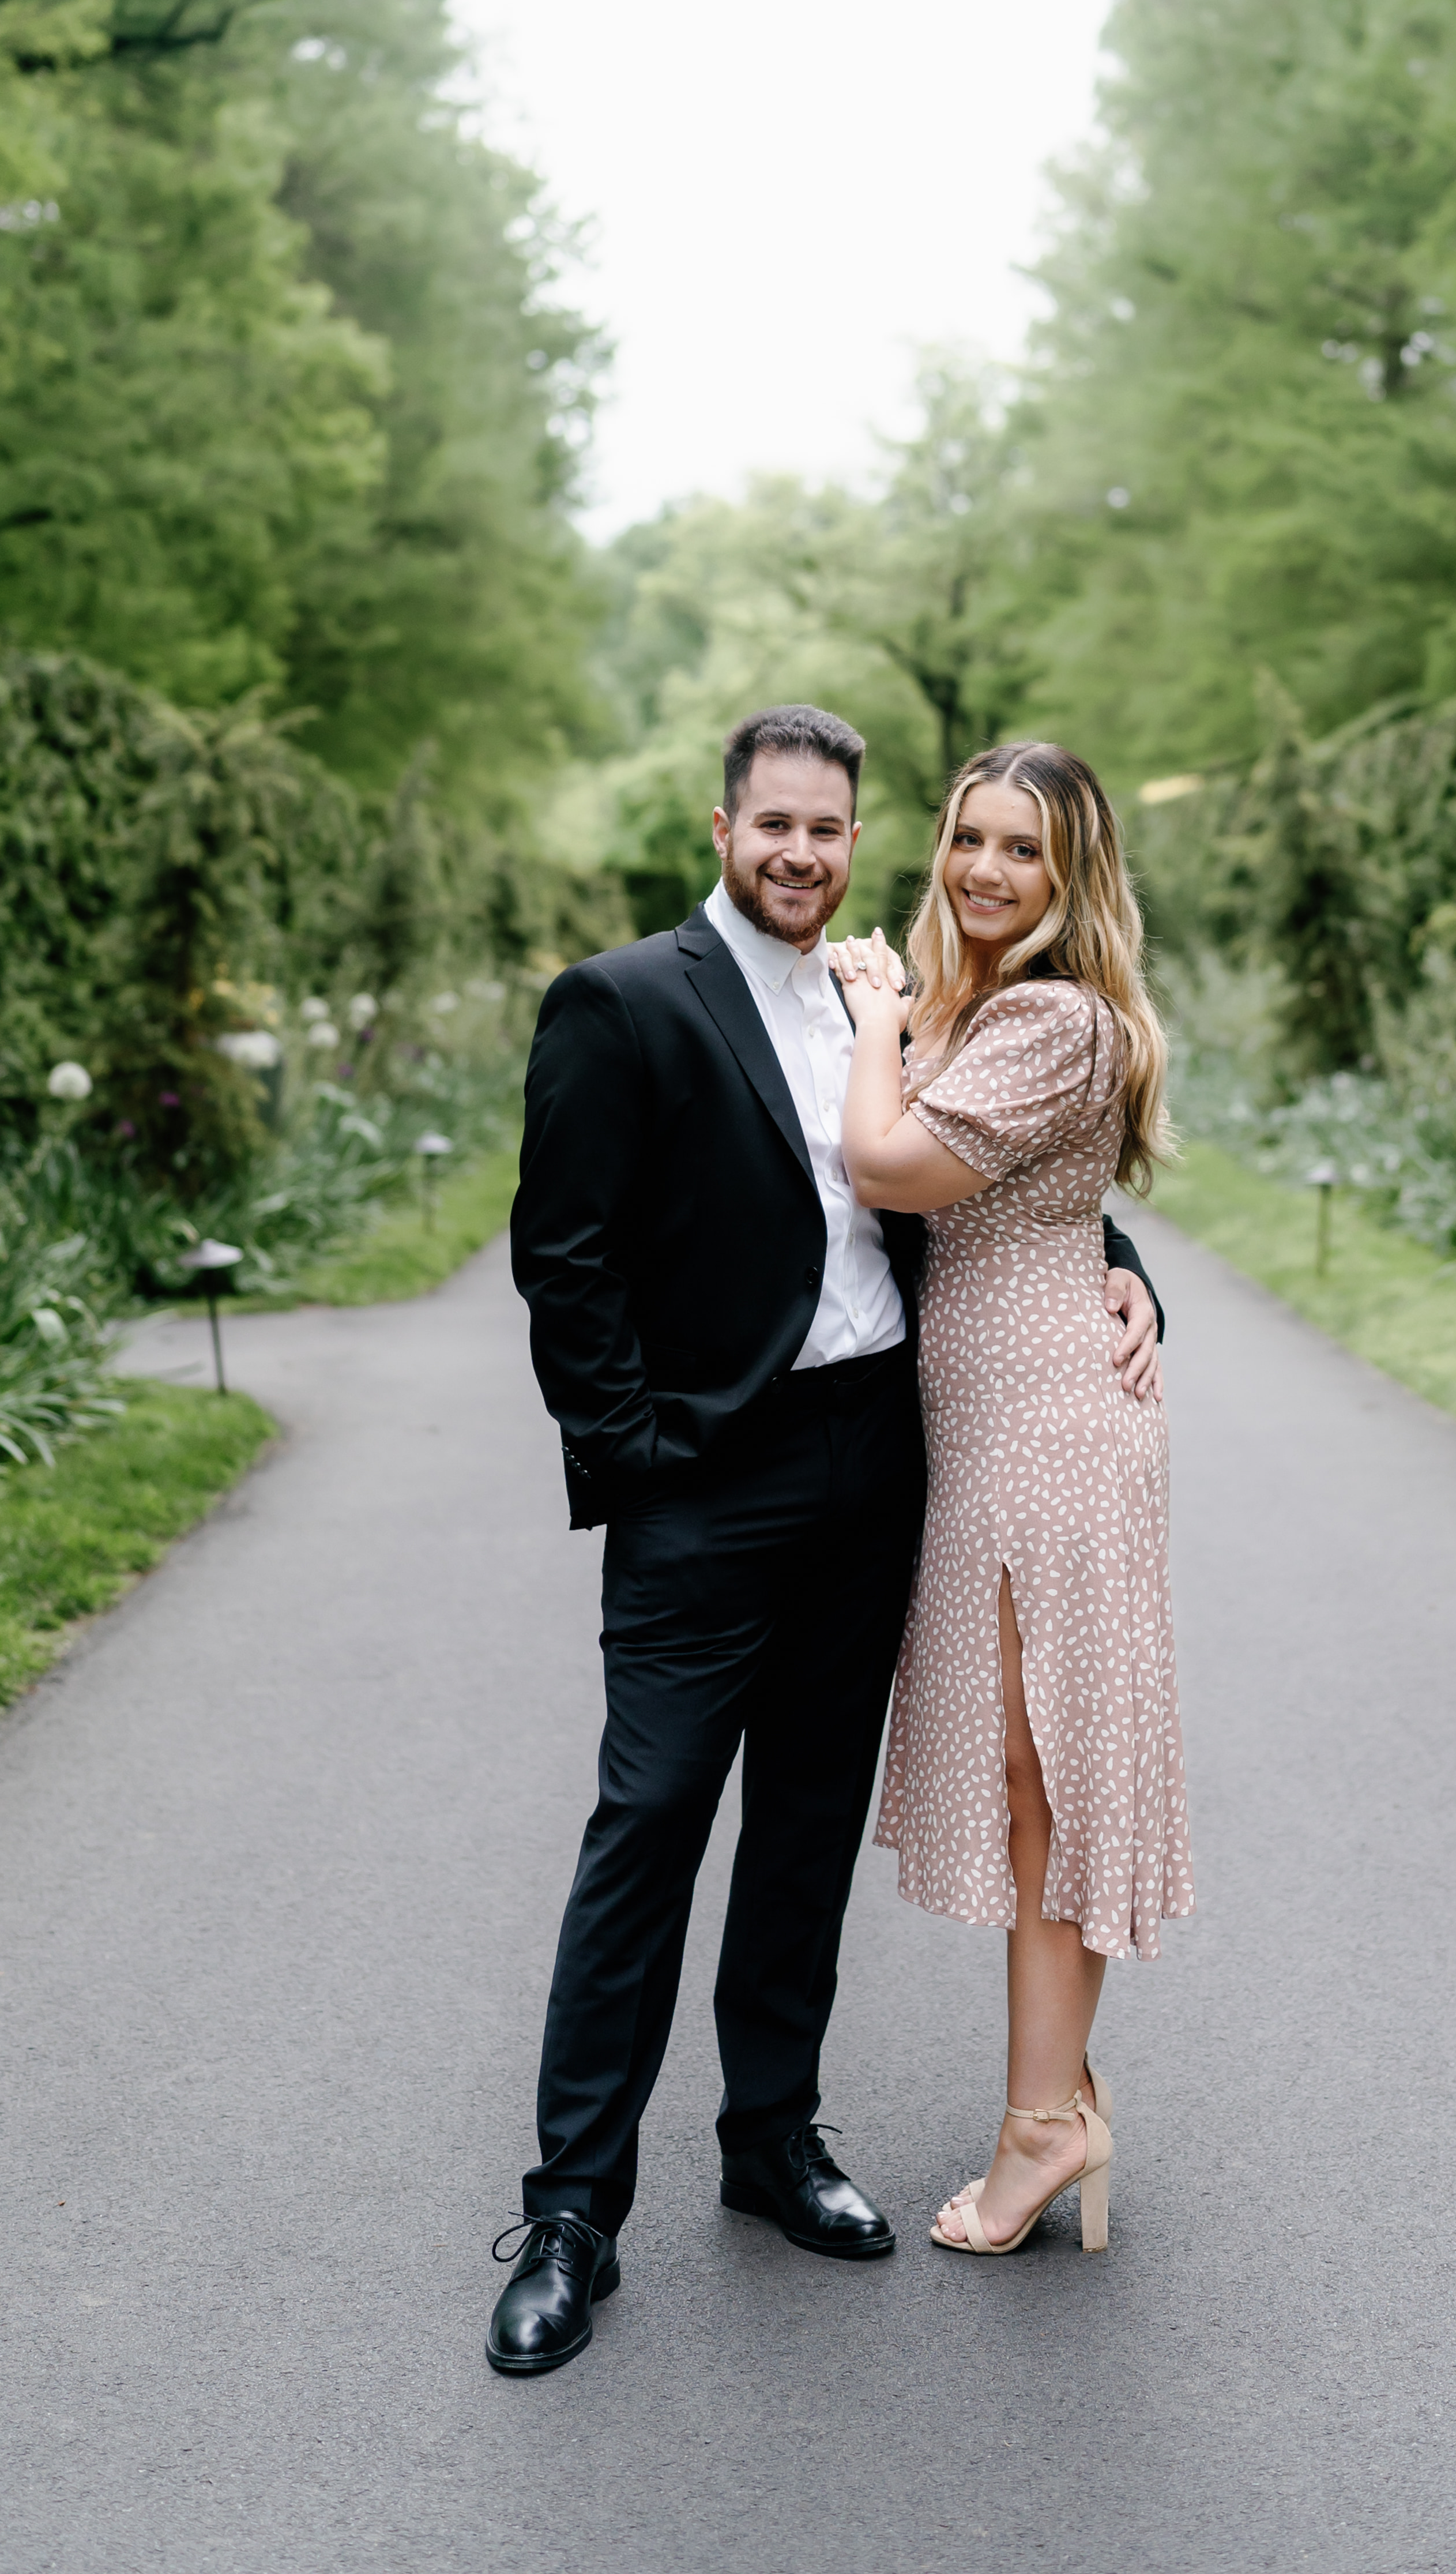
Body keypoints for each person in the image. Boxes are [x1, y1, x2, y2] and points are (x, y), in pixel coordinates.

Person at [491, 702, 1167, 2376]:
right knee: (647, 1827)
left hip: (882, 1474)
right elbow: (561, 1258)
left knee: (803, 1831)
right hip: (703, 1487)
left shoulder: (908, 998)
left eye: (829, 828)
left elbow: (1028, 1179)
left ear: (857, 843)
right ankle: (575, 2208)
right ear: (721, 831)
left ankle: (771, 2140)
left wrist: (1137, 1278)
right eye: (773, 825)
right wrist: (637, 1461)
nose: (803, 852)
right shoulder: (627, 1000)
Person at [833, 739, 1193, 2259]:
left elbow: (889, 1167)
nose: (985, 870)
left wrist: (872, 1021)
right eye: (969, 840)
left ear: (1074, 876)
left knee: (1048, 1778)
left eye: (1023, 851)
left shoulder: (1047, 1015)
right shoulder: (994, 1005)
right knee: (1032, 1781)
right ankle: (1059, 2096)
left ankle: (1041, 2127)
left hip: (1048, 1431)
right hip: (995, 1425)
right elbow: (1066, 1208)